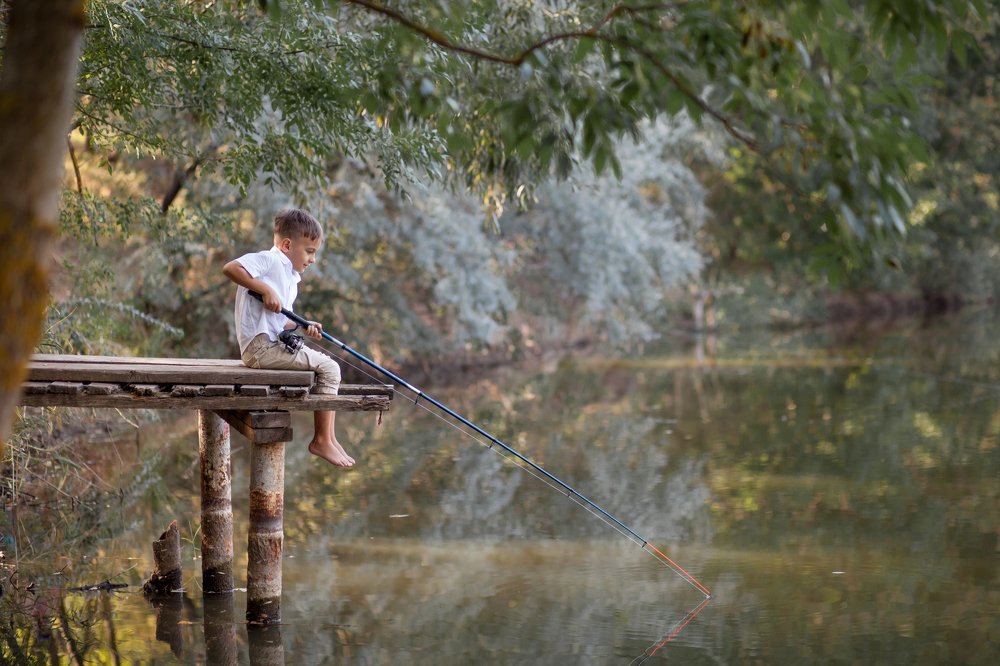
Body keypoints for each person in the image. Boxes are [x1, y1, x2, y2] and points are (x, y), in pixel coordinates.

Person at [222, 208, 354, 468]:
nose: (312, 259)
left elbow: (281, 321)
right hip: (260, 349)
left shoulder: (290, 277)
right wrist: (264, 289)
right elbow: (231, 268)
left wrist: (303, 325)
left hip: (269, 346)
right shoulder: (270, 261)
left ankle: (329, 438)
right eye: (309, 251)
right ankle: (322, 440)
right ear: (286, 245)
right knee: (330, 368)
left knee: (327, 368)